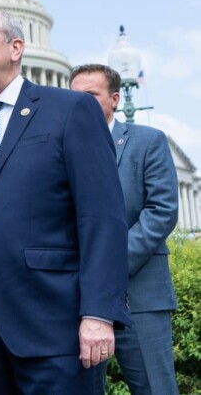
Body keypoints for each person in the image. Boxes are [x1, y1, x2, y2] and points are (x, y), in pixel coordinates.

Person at [0, 10, 131, 394]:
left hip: (56, 332)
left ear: (16, 47)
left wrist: (100, 312)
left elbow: (101, 218)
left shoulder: (70, 110)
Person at [70, 64, 179, 395]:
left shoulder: (148, 141)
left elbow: (161, 212)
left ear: (115, 99)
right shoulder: (59, 151)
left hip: (140, 298)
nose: (80, 104)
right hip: (78, 303)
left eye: (90, 96)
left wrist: (107, 264)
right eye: (73, 98)